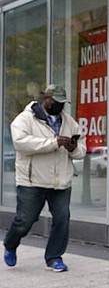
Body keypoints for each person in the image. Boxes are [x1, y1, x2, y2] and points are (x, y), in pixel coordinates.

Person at [3, 84, 86, 272]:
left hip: (60, 181)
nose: (60, 107)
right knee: (25, 220)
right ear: (46, 99)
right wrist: (53, 143)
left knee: (62, 219)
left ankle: (54, 257)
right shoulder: (25, 119)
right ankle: (10, 243)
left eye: (63, 103)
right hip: (32, 181)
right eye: (56, 102)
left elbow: (82, 149)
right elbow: (20, 143)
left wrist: (73, 148)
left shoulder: (69, 122)